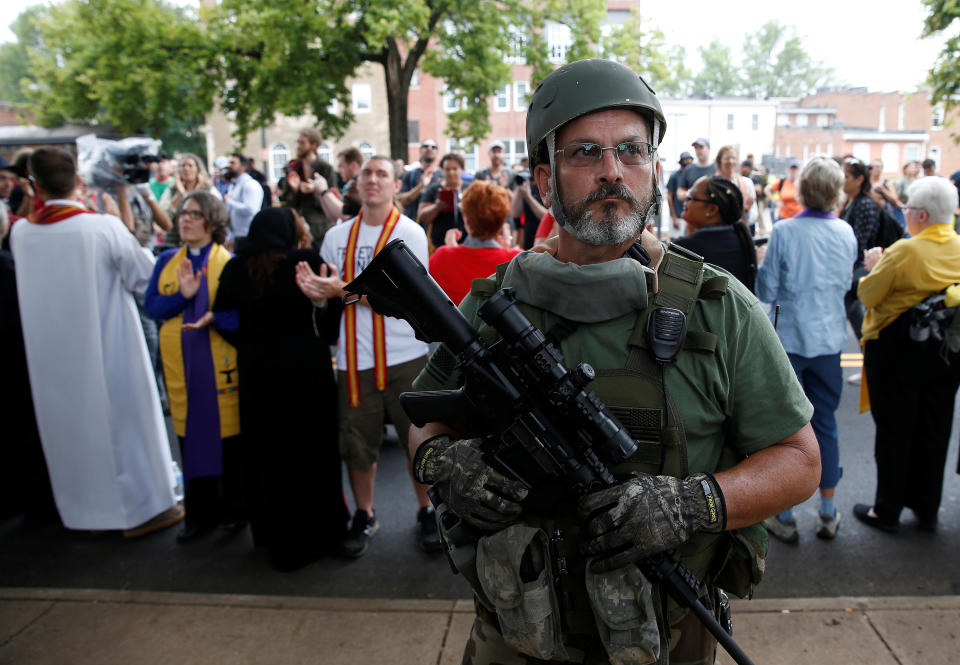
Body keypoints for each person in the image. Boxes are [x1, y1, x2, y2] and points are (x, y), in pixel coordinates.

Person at [407, 59, 819, 664]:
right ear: (544, 183)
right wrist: (448, 463)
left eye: (632, 150)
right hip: (516, 636)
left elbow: (799, 460)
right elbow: (424, 418)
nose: (611, 172)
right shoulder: (494, 302)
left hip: (667, 640)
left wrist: (691, 504)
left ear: (654, 168)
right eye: (584, 153)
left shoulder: (717, 305)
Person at [9, 147, 183, 537]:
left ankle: (84, 511)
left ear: (34, 184)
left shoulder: (21, 233)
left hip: (52, 357)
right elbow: (145, 280)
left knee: (70, 429)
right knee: (125, 423)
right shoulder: (101, 227)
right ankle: (143, 509)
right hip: (108, 346)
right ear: (80, 181)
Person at [295, 155, 439, 557]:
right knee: (357, 442)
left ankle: (427, 510)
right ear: (355, 185)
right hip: (355, 358)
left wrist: (337, 290)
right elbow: (328, 298)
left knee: (418, 441)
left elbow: (402, 296)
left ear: (396, 185)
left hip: (404, 355)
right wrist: (318, 293)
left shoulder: (409, 234)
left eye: (381, 174)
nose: (372, 180)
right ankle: (364, 512)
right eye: (366, 174)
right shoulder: (337, 238)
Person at [213, 206, 349, 570]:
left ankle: (274, 536)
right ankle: (322, 535)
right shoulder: (302, 260)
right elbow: (331, 316)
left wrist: (247, 342)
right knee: (312, 452)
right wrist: (326, 298)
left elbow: (223, 318)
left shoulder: (236, 268)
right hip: (306, 371)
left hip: (258, 375)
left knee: (266, 451)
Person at [755, 157, 858, 541]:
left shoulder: (784, 231)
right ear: (836, 191)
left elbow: (766, 290)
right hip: (831, 341)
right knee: (826, 425)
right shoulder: (846, 232)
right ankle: (829, 511)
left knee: (788, 432)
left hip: (791, 343)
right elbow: (845, 284)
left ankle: (786, 514)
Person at [854, 176, 960, 534]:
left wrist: (873, 264)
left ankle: (887, 510)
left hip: (899, 349)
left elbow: (868, 296)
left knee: (895, 431)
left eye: (908, 208)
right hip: (947, 349)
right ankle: (927, 510)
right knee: (935, 427)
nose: (905, 213)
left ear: (923, 215)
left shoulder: (905, 250)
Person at [144, 192, 246, 543]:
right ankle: (199, 515)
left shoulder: (229, 262)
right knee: (188, 438)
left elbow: (241, 316)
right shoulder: (167, 260)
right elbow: (153, 307)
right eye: (183, 213)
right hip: (182, 368)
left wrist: (214, 318)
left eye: (195, 214)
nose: (185, 220)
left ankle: (234, 512)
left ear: (212, 221)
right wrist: (184, 297)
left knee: (229, 441)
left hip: (220, 365)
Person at [428, 180, 521, 304]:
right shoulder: (517, 261)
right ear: (503, 218)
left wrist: (450, 252)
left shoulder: (441, 257)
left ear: (466, 218)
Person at [675, 175, 757, 292]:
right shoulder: (740, 237)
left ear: (712, 210)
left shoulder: (686, 249)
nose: (685, 201)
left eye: (691, 197)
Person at [279, 128, 338, 245]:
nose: (298, 146)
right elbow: (286, 201)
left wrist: (316, 191)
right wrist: (295, 190)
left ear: (314, 145)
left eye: (302, 143)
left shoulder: (325, 168)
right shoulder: (293, 168)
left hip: (321, 230)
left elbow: (332, 200)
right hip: (298, 229)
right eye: (297, 142)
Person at [158, 153, 222, 245]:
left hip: (203, 242)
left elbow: (217, 216)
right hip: (174, 242)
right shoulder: (171, 191)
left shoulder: (209, 190)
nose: (186, 169)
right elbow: (163, 217)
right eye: (183, 166)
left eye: (190, 166)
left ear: (198, 170)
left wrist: (198, 194)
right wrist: (179, 194)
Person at [418, 152, 468, 250]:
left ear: (462, 169)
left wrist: (466, 206)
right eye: (447, 169)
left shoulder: (470, 189)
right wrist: (436, 207)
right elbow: (422, 216)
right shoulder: (434, 189)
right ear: (442, 170)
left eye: (455, 169)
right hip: (439, 245)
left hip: (467, 244)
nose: (451, 172)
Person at [223, 153, 264, 242]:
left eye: (233, 163)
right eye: (229, 163)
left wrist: (229, 202)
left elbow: (251, 210)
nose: (229, 166)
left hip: (248, 236)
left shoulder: (250, 184)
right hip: (234, 237)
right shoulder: (233, 185)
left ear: (243, 167)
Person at [398, 140, 441, 220]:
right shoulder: (409, 175)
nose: (429, 149)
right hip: (413, 224)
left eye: (433, 147)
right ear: (420, 150)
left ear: (437, 151)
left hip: (435, 227)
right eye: (425, 146)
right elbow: (401, 203)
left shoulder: (443, 176)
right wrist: (421, 186)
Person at [714, 145, 756, 226]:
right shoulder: (712, 184)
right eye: (727, 158)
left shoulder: (747, 183)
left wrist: (746, 212)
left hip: (738, 232)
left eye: (733, 158)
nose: (731, 161)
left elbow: (754, 213)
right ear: (720, 161)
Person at [676, 137, 715, 203]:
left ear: (708, 148)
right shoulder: (689, 169)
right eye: (696, 148)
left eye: (701, 147)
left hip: (713, 210)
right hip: (694, 210)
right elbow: (679, 193)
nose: (698, 150)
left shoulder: (717, 168)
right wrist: (690, 193)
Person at [665, 151, 693, 235]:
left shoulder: (692, 176)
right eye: (685, 160)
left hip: (690, 218)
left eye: (689, 160)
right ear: (681, 161)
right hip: (678, 217)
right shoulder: (674, 176)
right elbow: (669, 197)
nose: (688, 162)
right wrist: (674, 218)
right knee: (676, 244)